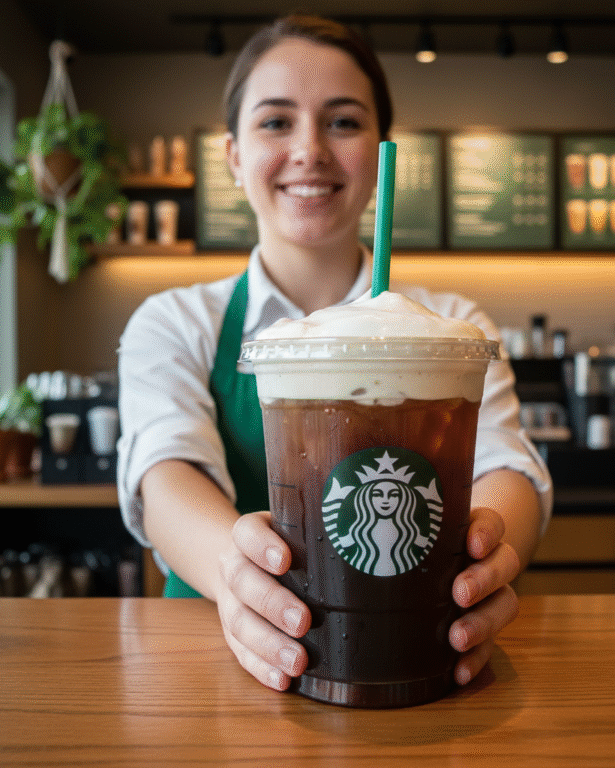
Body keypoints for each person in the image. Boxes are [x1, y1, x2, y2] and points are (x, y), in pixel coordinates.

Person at [117, 14, 552, 693]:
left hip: (412, 664)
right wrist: (238, 578)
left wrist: (488, 559)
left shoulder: (453, 328)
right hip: (203, 676)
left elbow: (506, 467)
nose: (310, 149)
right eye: (275, 122)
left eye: (344, 122)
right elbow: (165, 471)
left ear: (383, 151)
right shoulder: (174, 322)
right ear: (232, 155)